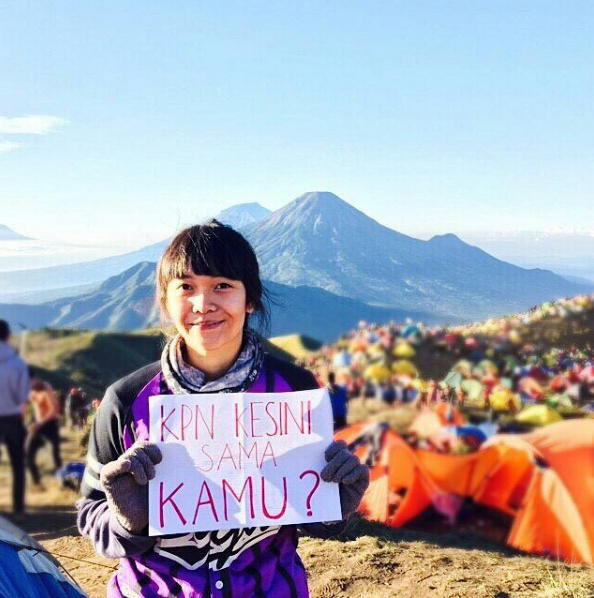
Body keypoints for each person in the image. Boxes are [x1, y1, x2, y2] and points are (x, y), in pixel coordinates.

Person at [77, 221, 370, 598]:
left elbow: (311, 512)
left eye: (222, 286)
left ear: (250, 299)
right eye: (186, 287)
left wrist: (337, 505)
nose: (203, 304)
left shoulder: (296, 394)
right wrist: (126, 521)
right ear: (165, 302)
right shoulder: (126, 401)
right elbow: (91, 515)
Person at [0, 319, 30, 519]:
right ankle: (18, 508)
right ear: (8, 336)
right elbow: (23, 398)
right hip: (12, 418)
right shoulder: (17, 363)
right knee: (18, 464)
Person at [26, 378, 62, 490]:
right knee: (28, 453)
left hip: (50, 424)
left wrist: (40, 423)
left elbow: (54, 409)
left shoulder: (46, 387)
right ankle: (37, 483)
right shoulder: (31, 392)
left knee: (54, 453)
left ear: (33, 380)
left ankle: (63, 481)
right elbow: (36, 409)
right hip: (39, 425)